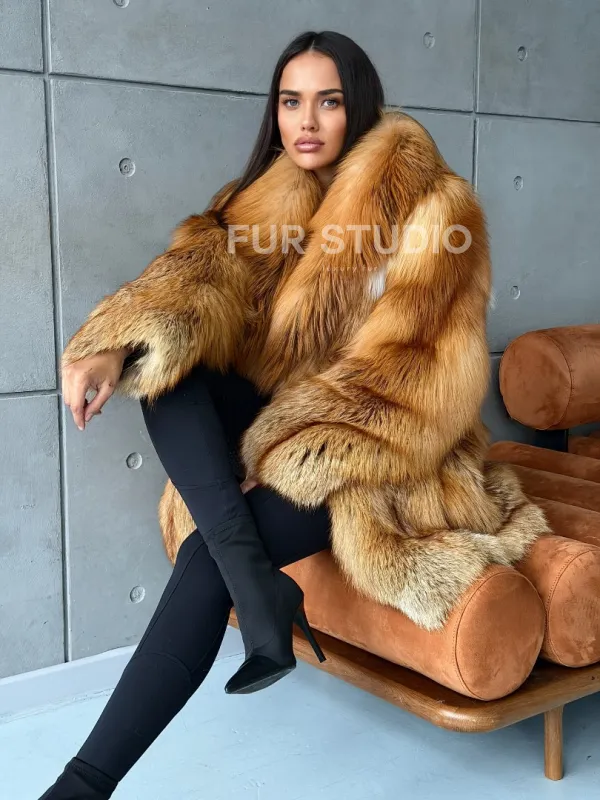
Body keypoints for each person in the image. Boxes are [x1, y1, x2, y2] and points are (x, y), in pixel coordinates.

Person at [39, 30, 388, 799]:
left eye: (328, 101)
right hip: (280, 422)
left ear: (359, 108)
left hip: (373, 455)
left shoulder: (424, 218)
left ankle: (79, 789)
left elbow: (406, 388)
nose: (305, 121)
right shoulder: (257, 202)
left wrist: (292, 450)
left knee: (207, 557)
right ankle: (259, 586)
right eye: (290, 101)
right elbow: (190, 285)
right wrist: (113, 344)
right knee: (165, 362)